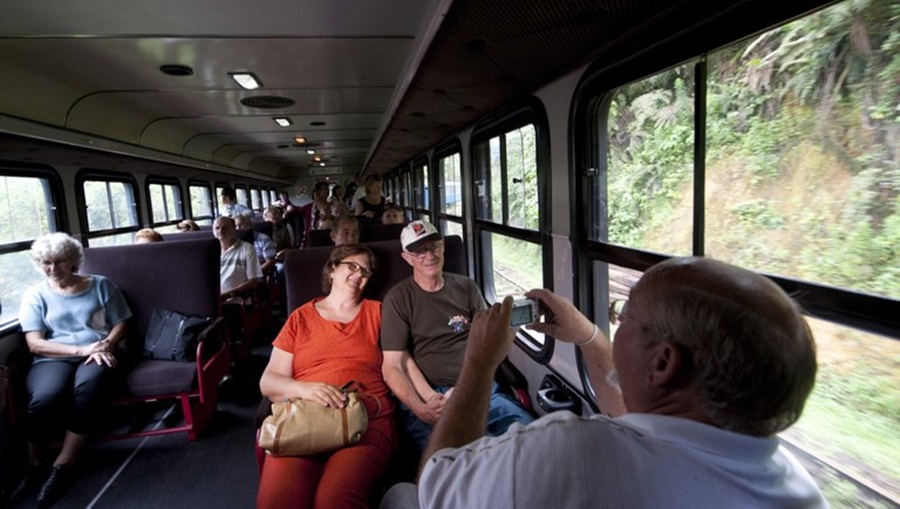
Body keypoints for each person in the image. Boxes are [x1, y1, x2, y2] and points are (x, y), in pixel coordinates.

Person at [385, 257, 826, 508]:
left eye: (624, 316)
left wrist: (479, 366)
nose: (616, 323)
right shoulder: (801, 491)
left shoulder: (576, 450)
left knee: (402, 496)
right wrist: (588, 336)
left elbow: (439, 484)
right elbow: (642, 419)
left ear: (664, 362)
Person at [257, 244, 398, 508]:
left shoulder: (379, 313)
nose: (359, 274)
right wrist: (306, 390)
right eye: (352, 266)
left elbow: (400, 362)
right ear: (332, 269)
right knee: (277, 502)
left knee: (334, 501)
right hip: (305, 417)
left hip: (365, 419)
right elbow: (269, 382)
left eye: (366, 271)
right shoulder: (300, 318)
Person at [380, 220, 533, 451]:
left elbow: (486, 338)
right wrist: (421, 407)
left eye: (434, 247)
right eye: (419, 251)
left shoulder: (466, 287)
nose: (429, 255)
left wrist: (509, 326)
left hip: (479, 386)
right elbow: (392, 365)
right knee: (449, 462)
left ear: (442, 246)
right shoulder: (398, 298)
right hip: (431, 395)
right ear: (407, 258)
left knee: (528, 440)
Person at [18, 233, 132, 508]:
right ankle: (35, 462)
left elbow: (121, 322)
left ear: (73, 261)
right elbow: (35, 343)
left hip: (99, 351)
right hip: (54, 356)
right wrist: (81, 350)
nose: (53, 269)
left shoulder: (101, 285)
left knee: (88, 387)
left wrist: (106, 343)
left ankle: (63, 463)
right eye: (46, 262)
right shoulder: (35, 295)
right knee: (45, 396)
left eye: (60, 262)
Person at [214, 216, 261, 302]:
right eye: (217, 228)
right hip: (213, 299)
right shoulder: (210, 251)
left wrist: (228, 294)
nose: (220, 231)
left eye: (224, 228)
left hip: (237, 300)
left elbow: (253, 282)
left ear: (234, 228)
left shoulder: (247, 248)